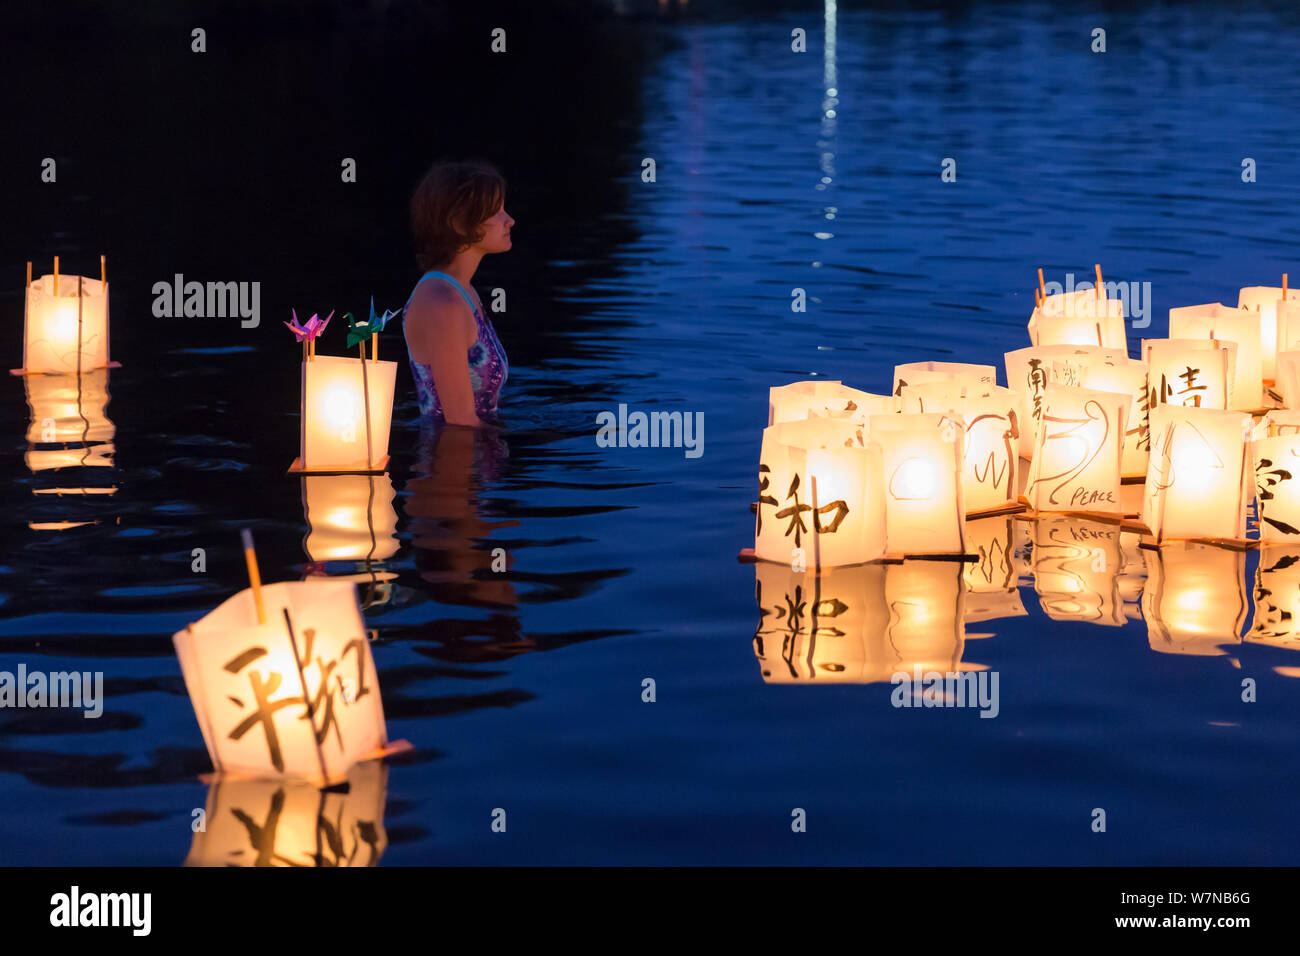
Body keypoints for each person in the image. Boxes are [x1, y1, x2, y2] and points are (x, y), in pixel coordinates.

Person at [403, 160, 514, 427]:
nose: (509, 219)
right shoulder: (444, 304)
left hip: (477, 460)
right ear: (459, 223)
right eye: (495, 211)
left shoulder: (464, 292)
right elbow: (460, 423)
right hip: (452, 464)